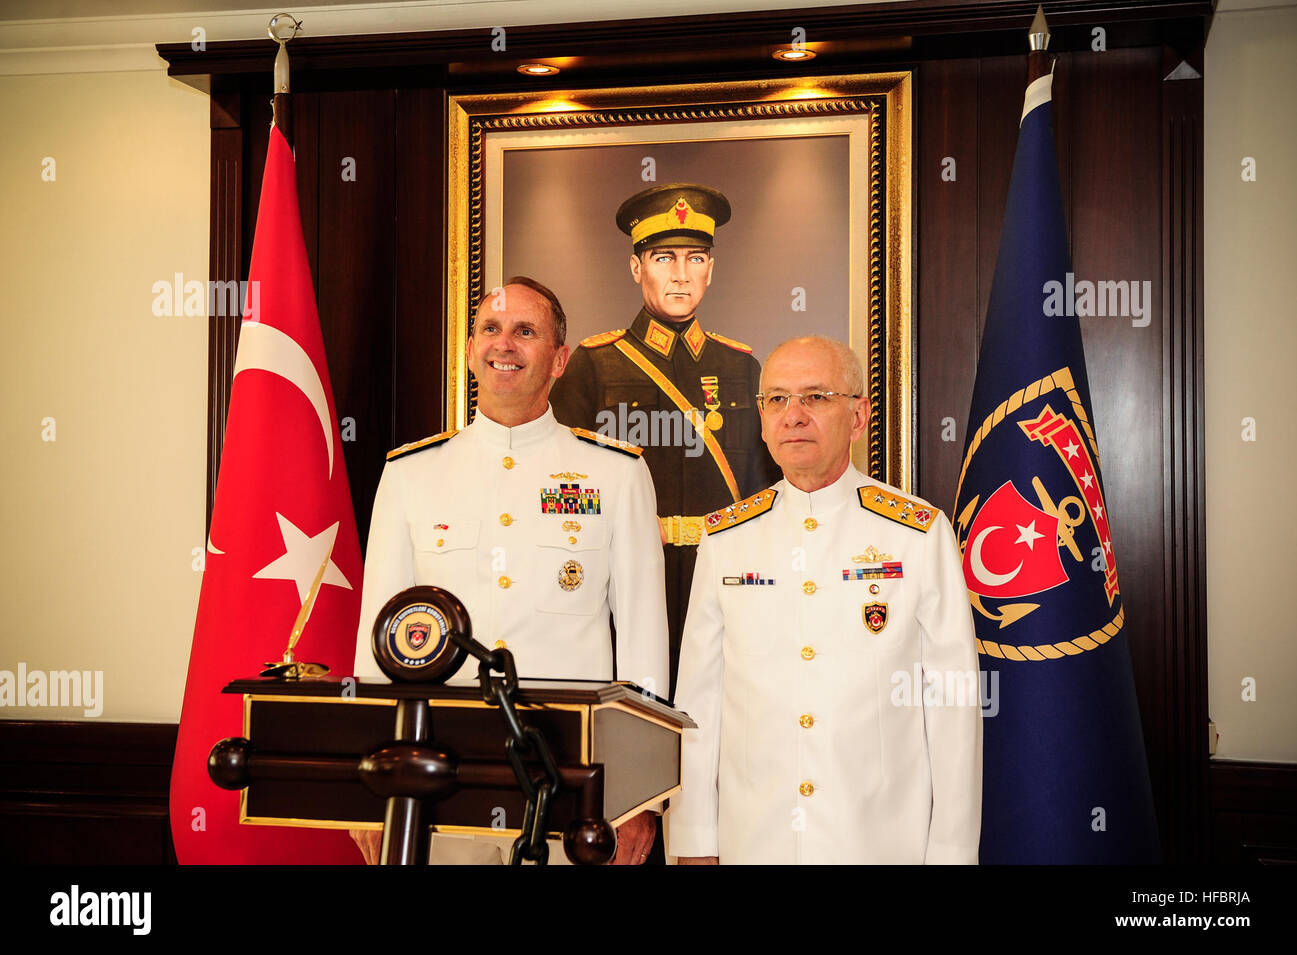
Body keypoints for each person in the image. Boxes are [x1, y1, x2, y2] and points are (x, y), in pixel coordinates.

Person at [351, 277, 669, 865]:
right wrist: (374, 788)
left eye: (527, 331)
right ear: (471, 351)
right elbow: (379, 643)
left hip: (574, 778)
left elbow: (644, 644)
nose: (506, 344)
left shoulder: (616, 475)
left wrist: (638, 794)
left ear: (559, 358)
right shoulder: (410, 474)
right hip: (440, 776)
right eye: (490, 329)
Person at [668, 336, 982, 864]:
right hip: (754, 843)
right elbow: (699, 703)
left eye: (815, 397)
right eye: (776, 400)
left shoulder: (917, 534)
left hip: (879, 843)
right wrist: (695, 839)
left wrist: (951, 852)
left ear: (858, 416)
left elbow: (953, 706)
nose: (793, 416)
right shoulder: (725, 539)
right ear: (763, 421)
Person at [550, 183, 781, 700]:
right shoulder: (595, 363)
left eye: (695, 258)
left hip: (722, 582)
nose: (680, 274)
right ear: (637, 268)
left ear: (710, 270)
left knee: (722, 718)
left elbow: (769, 489)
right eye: (663, 258)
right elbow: (562, 482)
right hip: (625, 580)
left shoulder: (741, 366)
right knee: (633, 717)